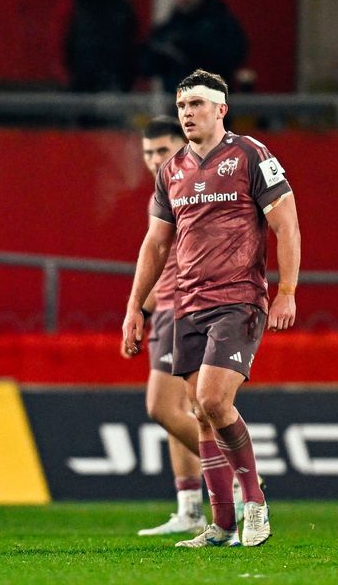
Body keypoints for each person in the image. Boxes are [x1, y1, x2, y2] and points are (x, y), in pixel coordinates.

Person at [122, 69, 299, 548]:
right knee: (200, 411)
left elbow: (287, 224)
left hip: (238, 300)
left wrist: (286, 291)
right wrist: (134, 307)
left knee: (216, 400)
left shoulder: (251, 155)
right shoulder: (171, 171)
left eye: (197, 104)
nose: (187, 113)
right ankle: (221, 524)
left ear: (221, 109)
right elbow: (155, 244)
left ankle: (254, 503)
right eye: (182, 106)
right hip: (188, 304)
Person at [128, 116, 205, 536]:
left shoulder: (194, 187)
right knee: (180, 412)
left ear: (182, 144)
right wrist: (142, 305)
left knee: (162, 408)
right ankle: (190, 508)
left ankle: (239, 475)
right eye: (148, 152)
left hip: (184, 311)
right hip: (168, 309)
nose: (155, 159)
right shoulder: (166, 189)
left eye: (162, 150)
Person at [141, 0, 247, 93]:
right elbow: (147, 65)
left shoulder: (220, 24)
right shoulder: (167, 30)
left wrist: (195, 47)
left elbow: (235, 52)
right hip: (179, 101)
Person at [63, 0, 137, 92]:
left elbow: (132, 47)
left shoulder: (125, 9)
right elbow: (61, 42)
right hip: (80, 87)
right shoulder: (76, 4)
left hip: (115, 86)